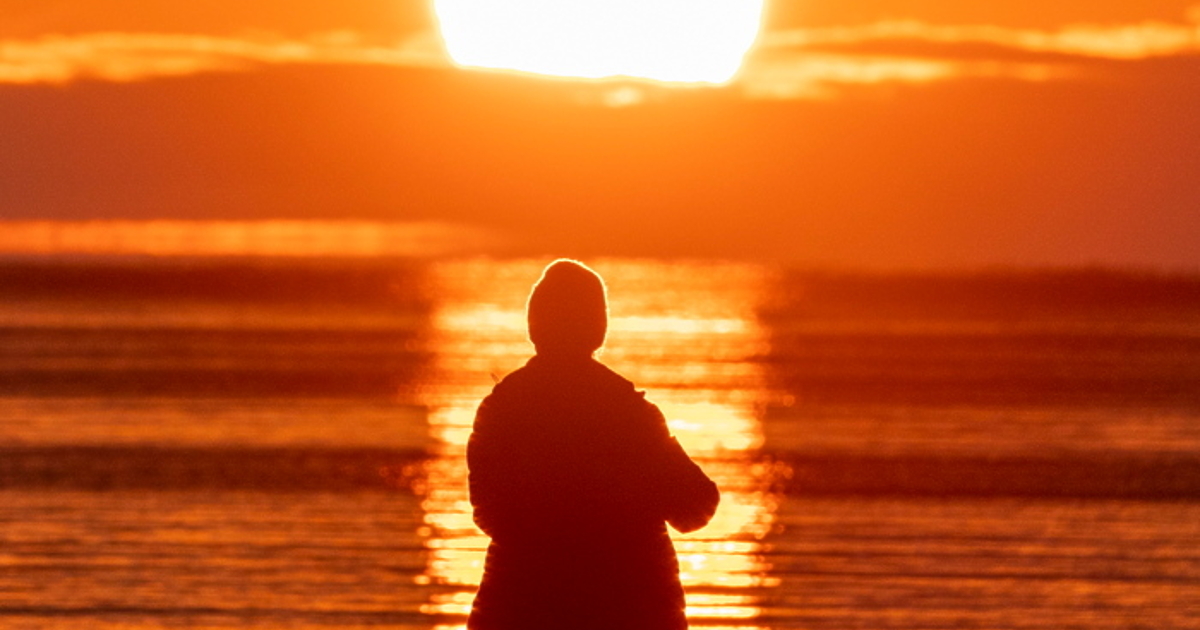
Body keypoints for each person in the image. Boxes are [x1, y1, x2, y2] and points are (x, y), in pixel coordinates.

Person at [466, 259, 720, 630]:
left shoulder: (500, 408)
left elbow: (488, 511)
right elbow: (695, 507)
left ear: (534, 326)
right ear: (598, 328)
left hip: (519, 604)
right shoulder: (631, 413)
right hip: (630, 606)